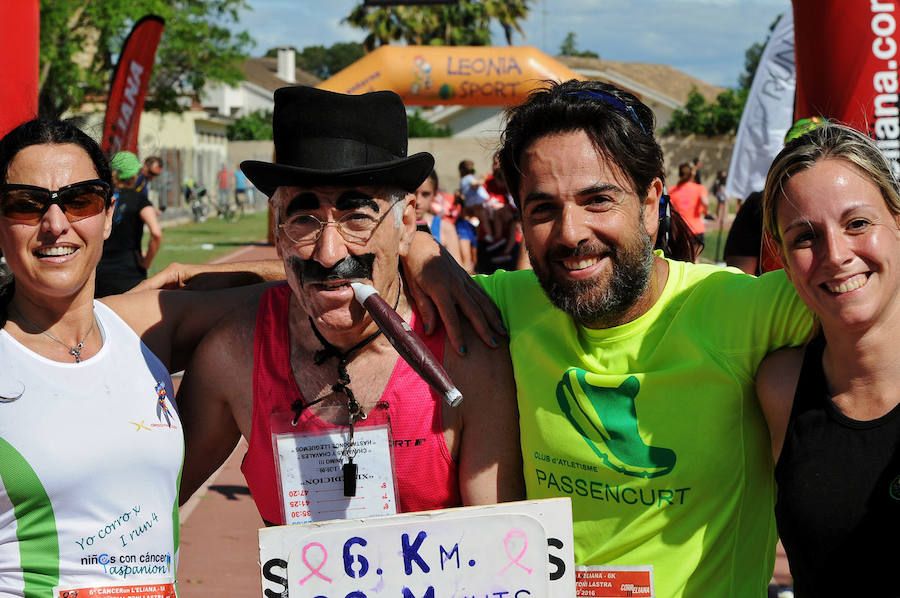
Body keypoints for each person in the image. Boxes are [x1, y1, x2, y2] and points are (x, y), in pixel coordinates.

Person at [454, 79, 814, 598]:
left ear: (651, 202)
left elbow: (875, 293)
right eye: (543, 209)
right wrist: (422, 253)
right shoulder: (506, 305)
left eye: (598, 200)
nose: (570, 232)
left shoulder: (738, 309)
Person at [175, 86, 524, 529]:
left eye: (357, 217)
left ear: (406, 224)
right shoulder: (233, 355)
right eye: (303, 219)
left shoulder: (466, 354)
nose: (327, 251)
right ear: (279, 233)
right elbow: (147, 516)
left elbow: (503, 552)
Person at [0, 119, 284, 596]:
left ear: (108, 215)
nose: (55, 223)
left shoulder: (140, 327)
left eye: (79, 200)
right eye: (26, 205)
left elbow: (310, 289)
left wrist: (413, 249)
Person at [755, 123, 900, 597]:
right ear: (782, 256)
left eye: (857, 223)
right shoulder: (779, 387)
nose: (836, 255)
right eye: (804, 237)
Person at [95, 151, 163, 296]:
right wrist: (147, 262)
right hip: (130, 276)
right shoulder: (139, 199)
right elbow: (156, 233)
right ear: (134, 175)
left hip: (98, 277)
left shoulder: (100, 198)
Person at [414, 169, 463, 264]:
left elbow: (459, 273)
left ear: (435, 194)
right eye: (413, 192)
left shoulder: (446, 228)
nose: (418, 201)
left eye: (425, 194)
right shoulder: (395, 225)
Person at [668, 161, 709, 249]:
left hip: (679, 230)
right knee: (695, 260)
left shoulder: (672, 190)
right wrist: (705, 212)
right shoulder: (699, 188)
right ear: (692, 174)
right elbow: (705, 202)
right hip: (696, 229)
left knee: (680, 260)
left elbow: (670, 209)